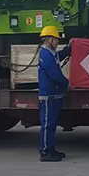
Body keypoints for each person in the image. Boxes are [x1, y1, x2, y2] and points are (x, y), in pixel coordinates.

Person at [37, 24, 71, 162]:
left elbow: (60, 56)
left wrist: (69, 48)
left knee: (51, 124)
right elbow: (54, 74)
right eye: (56, 39)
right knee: (47, 125)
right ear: (49, 39)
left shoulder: (51, 53)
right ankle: (45, 151)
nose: (58, 42)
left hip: (53, 95)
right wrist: (67, 84)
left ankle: (50, 149)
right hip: (48, 96)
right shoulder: (45, 54)